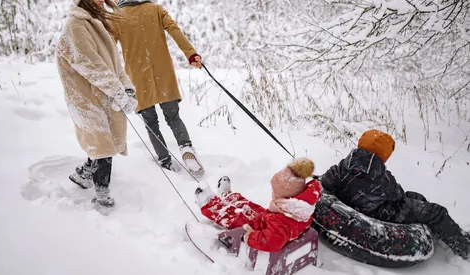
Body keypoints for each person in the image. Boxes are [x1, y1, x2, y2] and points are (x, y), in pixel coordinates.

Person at [320, 129, 470, 260]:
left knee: (414, 197)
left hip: (356, 205)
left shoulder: (342, 166)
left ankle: (434, 231)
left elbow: (326, 181)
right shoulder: (382, 178)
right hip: (381, 213)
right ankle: (465, 248)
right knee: (436, 212)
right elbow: (398, 195)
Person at [56, 0, 138, 213]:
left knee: (105, 140)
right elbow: (92, 65)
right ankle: (102, 199)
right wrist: (117, 91)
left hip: (103, 94)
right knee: (102, 145)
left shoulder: (97, 24)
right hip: (85, 98)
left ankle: (83, 175)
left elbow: (116, 66)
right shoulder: (76, 25)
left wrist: (127, 90)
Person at [113, 0, 204, 177]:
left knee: (151, 122)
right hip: (163, 73)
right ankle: (185, 146)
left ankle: (165, 160)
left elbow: (108, 47)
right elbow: (175, 30)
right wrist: (191, 54)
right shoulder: (155, 9)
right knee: (173, 116)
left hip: (138, 76)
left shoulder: (117, 17)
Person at [194, 158, 322, 252]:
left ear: (287, 198)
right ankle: (228, 198)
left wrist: (250, 237)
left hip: (261, 230)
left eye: (275, 193)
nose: (273, 194)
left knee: (236, 218)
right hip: (268, 221)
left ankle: (210, 204)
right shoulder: (300, 209)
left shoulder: (281, 222)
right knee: (250, 206)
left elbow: (272, 241)